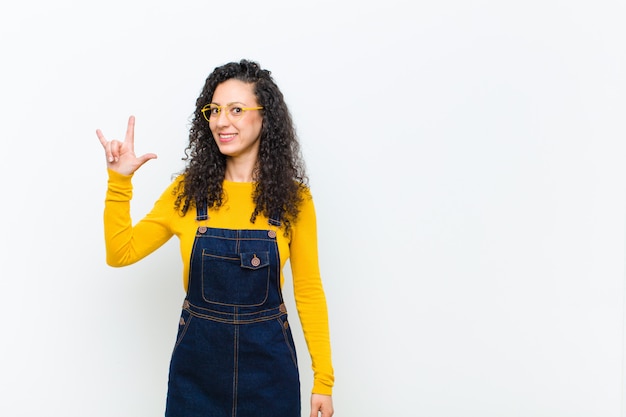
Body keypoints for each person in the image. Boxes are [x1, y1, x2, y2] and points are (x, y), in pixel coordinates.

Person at [96, 59, 334, 417]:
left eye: (237, 109)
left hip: (270, 373)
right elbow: (120, 253)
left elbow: (309, 289)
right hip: (198, 375)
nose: (222, 121)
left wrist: (324, 382)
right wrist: (119, 182)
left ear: (265, 116)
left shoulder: (294, 200)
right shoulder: (186, 194)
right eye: (215, 110)